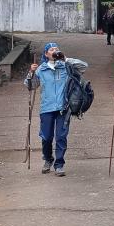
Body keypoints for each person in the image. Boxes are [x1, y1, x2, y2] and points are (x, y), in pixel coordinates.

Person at [24, 42, 88, 176]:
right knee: (46, 137)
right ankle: (48, 159)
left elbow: (84, 66)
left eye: (56, 49)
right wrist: (31, 72)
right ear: (46, 54)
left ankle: (59, 164)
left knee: (61, 136)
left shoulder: (65, 66)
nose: (54, 51)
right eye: (51, 49)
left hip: (63, 107)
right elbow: (31, 86)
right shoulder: (41, 69)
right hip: (46, 108)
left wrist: (66, 59)